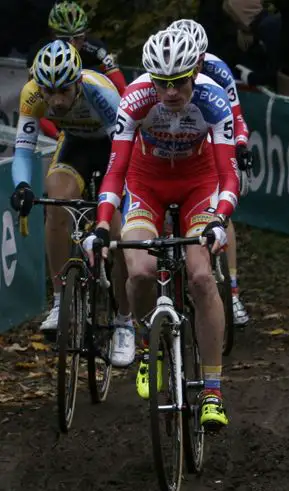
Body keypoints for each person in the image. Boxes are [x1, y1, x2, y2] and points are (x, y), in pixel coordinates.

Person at [88, 28, 237, 431]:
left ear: (195, 72)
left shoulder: (213, 99)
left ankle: (211, 391)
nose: (169, 92)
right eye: (161, 83)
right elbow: (116, 169)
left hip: (199, 182)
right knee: (139, 271)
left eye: (178, 82)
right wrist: (103, 225)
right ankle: (146, 349)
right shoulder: (135, 98)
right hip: (146, 181)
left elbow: (228, 174)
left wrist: (220, 220)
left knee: (203, 277)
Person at [9, 41, 134, 365]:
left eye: (64, 90)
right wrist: (22, 186)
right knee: (55, 199)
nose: (56, 100)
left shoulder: (101, 94)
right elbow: (23, 151)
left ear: (78, 80)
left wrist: (125, 203)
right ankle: (60, 298)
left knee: (120, 233)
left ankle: (125, 320)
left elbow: (124, 153)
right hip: (76, 145)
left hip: (112, 148)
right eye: (49, 92)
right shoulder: (32, 94)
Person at [169, 18, 253, 328]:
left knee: (222, 209)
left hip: (210, 132)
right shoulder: (167, 73)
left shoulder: (217, 70)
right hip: (176, 139)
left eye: (201, 57)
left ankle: (232, 291)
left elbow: (236, 117)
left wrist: (240, 145)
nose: (198, 64)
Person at [33, 1, 127, 94]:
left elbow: (119, 85)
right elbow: (33, 90)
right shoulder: (40, 50)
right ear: (53, 36)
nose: (72, 44)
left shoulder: (95, 47)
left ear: (85, 34)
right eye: (65, 38)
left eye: (78, 37)